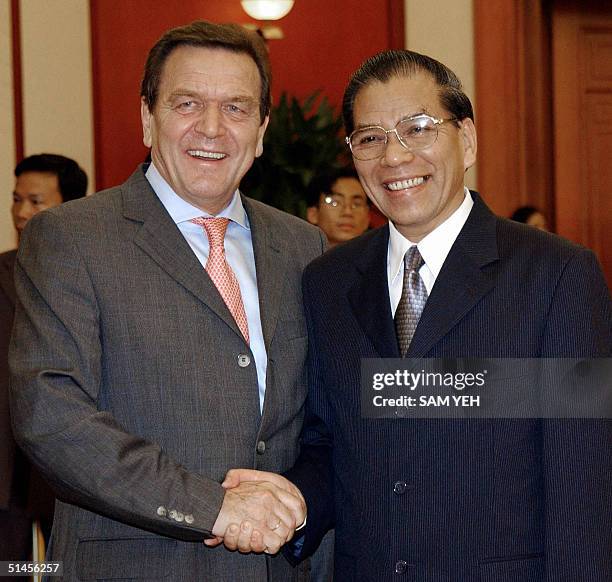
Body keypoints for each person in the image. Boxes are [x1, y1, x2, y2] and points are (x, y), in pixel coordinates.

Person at [218, 49, 611, 581]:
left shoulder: (557, 275)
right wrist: (294, 501)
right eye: (370, 138)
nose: (394, 158)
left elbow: (582, 482)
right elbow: (330, 440)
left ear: (466, 139)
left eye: (418, 128)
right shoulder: (329, 281)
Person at [9, 21, 325, 582]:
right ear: (147, 118)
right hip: (132, 564)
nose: (212, 128)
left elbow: (325, 412)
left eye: (236, 108)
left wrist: (300, 498)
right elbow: (51, 413)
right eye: (187, 103)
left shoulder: (302, 245)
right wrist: (214, 506)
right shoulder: (71, 237)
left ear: (261, 130)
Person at [0, 154, 87, 569]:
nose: (20, 213)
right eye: (16, 200)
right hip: (7, 473)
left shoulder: (93, 279)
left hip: (74, 469)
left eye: (35, 202)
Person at [306, 168, 370, 247]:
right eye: (335, 203)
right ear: (313, 214)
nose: (348, 212)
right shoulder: (295, 256)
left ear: (367, 218)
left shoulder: (383, 257)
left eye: (356, 204)